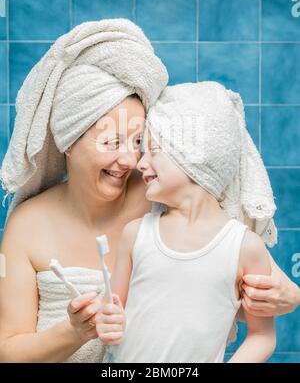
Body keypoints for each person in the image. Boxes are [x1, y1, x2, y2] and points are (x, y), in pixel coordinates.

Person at [0, 18, 168, 363]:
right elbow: (8, 351)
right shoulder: (28, 225)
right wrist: (74, 331)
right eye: (112, 141)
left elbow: (221, 278)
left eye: (138, 141)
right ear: (68, 143)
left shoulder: (160, 199)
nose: (130, 158)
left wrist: (281, 294)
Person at [96, 82, 285, 363]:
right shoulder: (136, 235)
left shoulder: (244, 247)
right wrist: (106, 322)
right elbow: (111, 308)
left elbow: (262, 335)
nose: (140, 163)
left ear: (193, 155)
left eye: (153, 150)